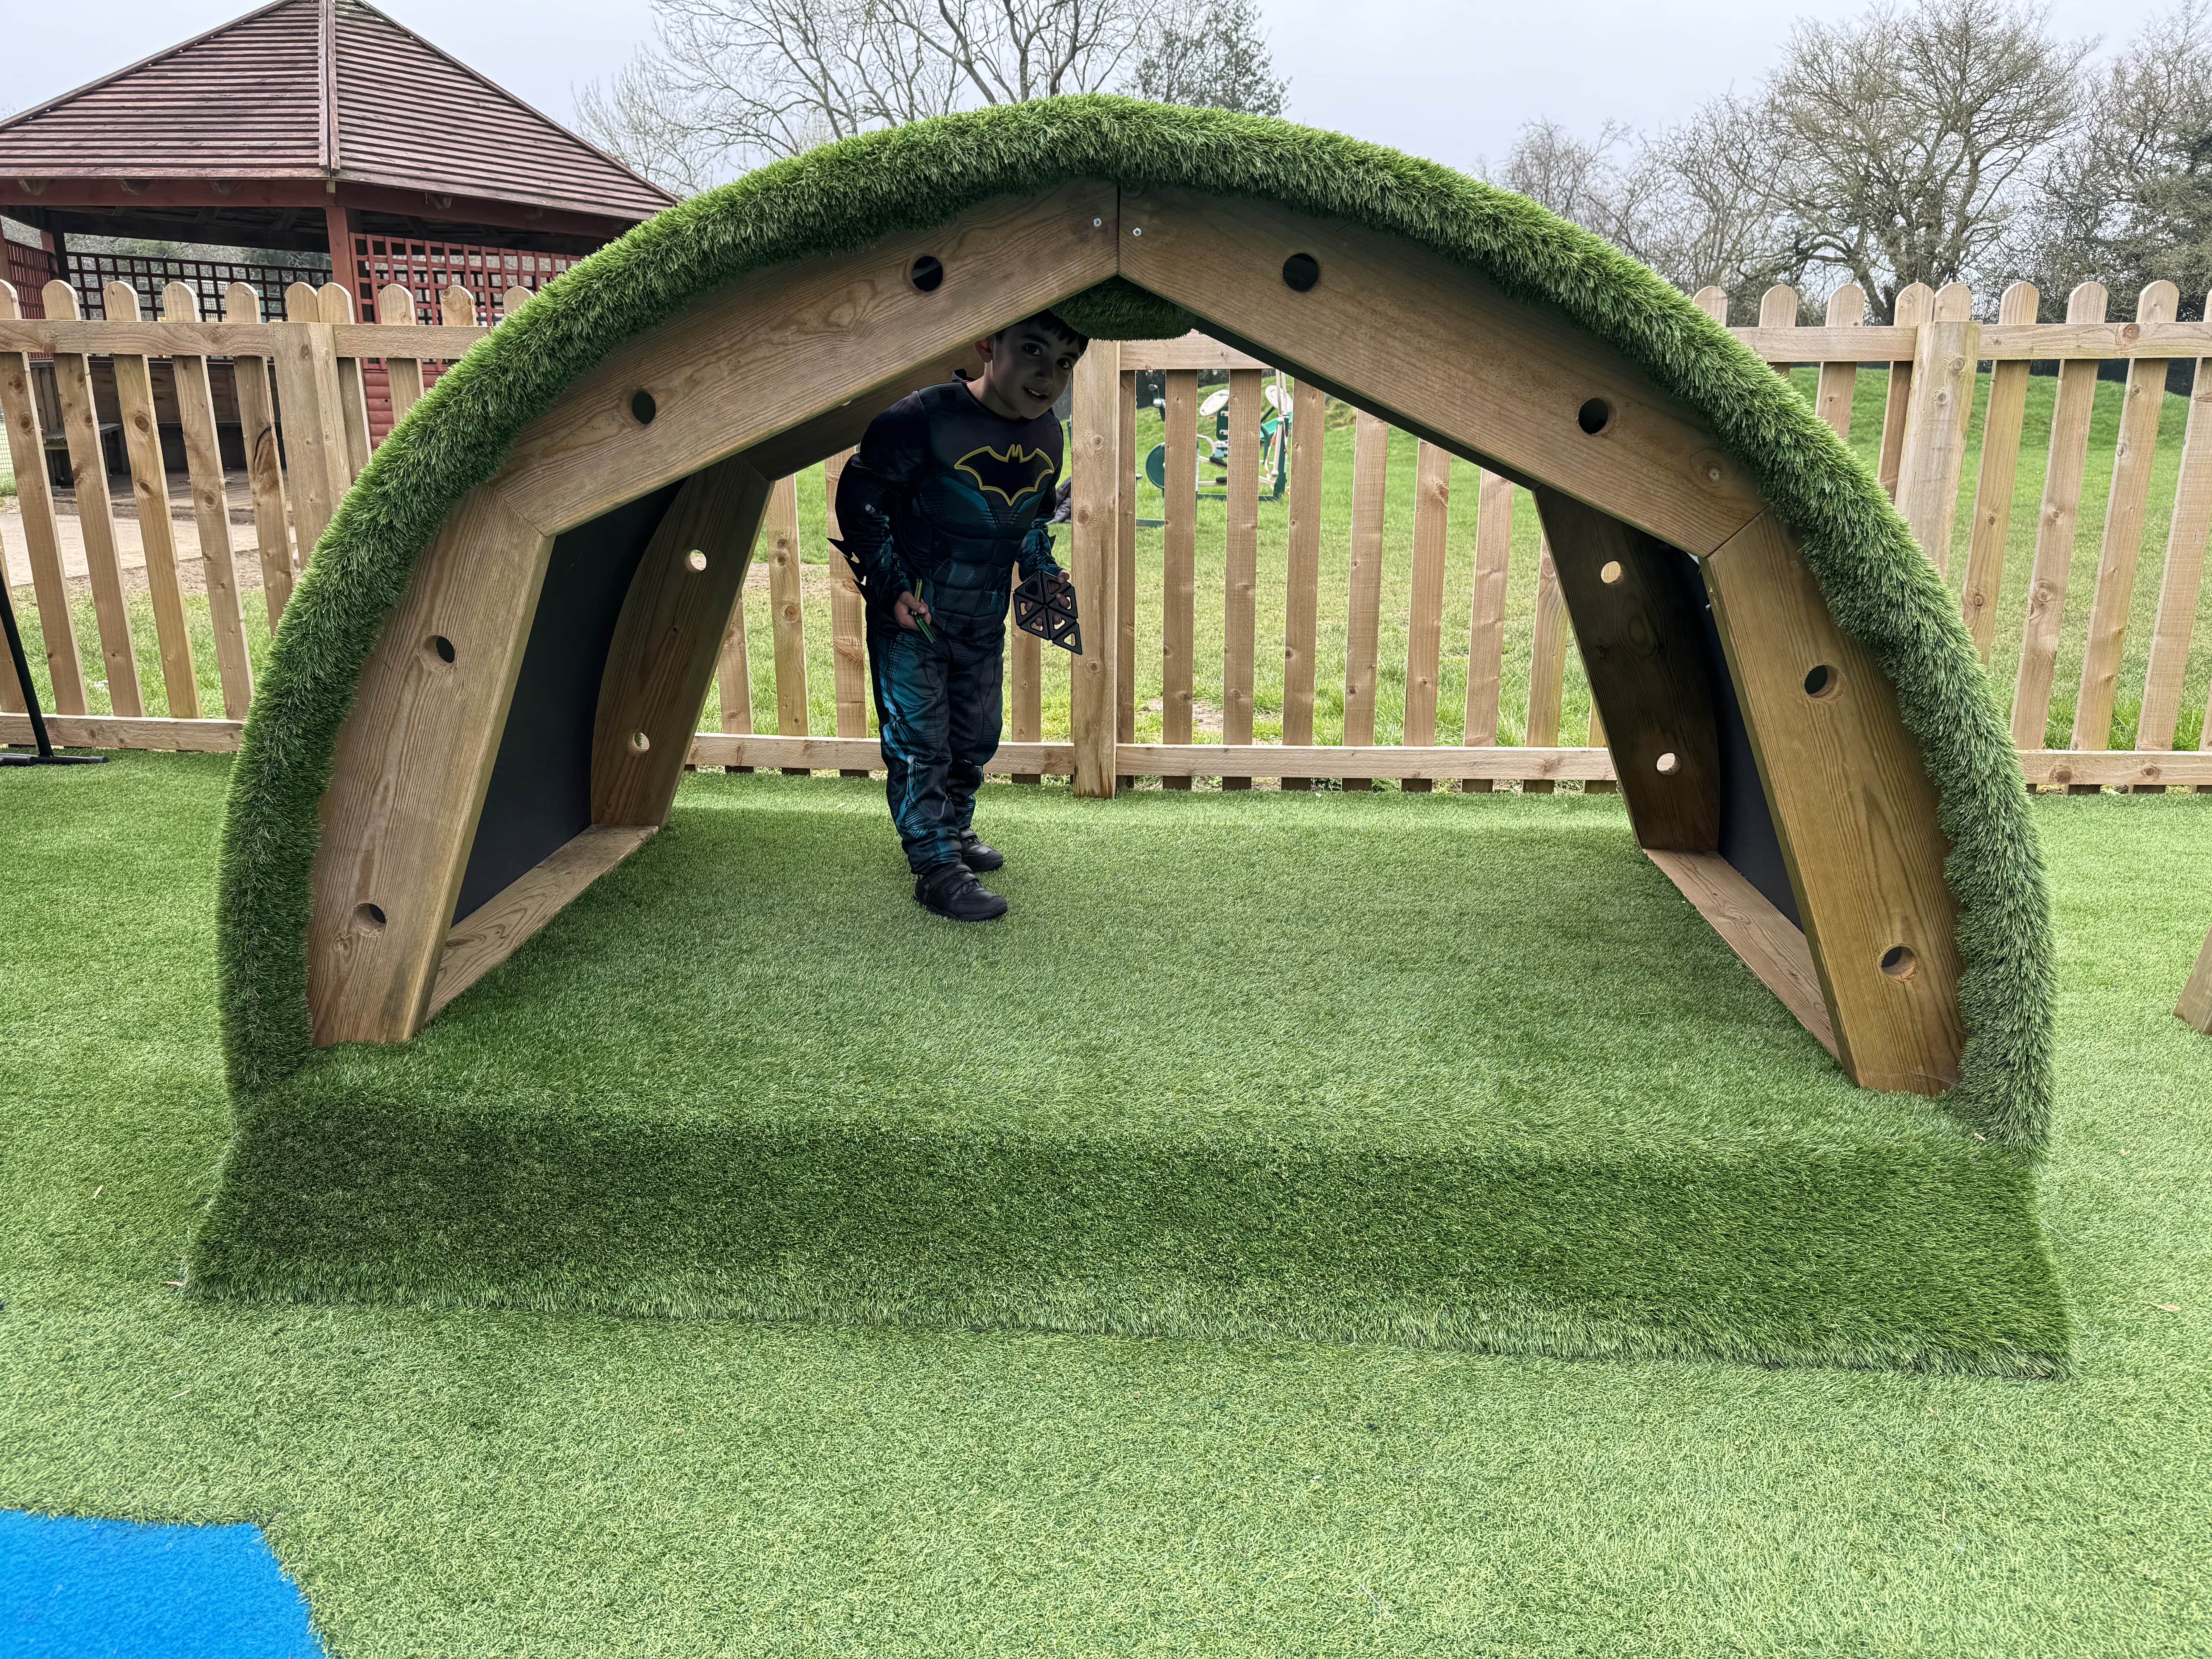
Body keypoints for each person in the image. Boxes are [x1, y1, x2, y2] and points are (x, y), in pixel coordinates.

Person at [832, 310, 1086, 921]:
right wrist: (889, 587)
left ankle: (958, 830)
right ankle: (935, 863)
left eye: (1065, 362)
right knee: (920, 742)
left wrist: (1043, 576)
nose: (1048, 374)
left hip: (983, 617)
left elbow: (1027, 517)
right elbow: (861, 498)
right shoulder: (922, 417)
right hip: (914, 617)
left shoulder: (1049, 433)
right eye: (1032, 349)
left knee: (976, 736)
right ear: (987, 346)